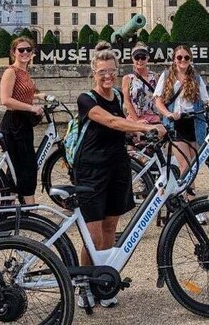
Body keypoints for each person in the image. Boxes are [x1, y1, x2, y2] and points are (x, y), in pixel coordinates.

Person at [74, 41, 166, 309]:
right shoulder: (86, 99)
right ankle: (83, 285)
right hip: (91, 172)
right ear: (93, 71)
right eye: (102, 71)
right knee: (92, 236)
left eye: (111, 70)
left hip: (117, 167)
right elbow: (112, 122)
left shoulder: (116, 94)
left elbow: (121, 127)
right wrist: (143, 126)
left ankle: (102, 283)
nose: (107, 75)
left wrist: (137, 133)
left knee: (110, 228)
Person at [154, 45, 209, 205]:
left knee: (193, 165)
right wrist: (168, 114)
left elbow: (205, 101)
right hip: (175, 124)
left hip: (193, 123)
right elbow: (157, 100)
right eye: (179, 57)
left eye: (186, 57)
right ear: (174, 59)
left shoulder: (196, 78)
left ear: (190, 59)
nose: (183, 60)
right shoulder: (166, 76)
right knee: (186, 165)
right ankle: (191, 203)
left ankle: (183, 197)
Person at [0, 36, 46, 204]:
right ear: (13, 53)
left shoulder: (25, 72)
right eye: (21, 50)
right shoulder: (11, 71)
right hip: (14, 122)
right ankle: (29, 205)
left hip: (23, 122)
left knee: (18, 166)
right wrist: (32, 108)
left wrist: (39, 96)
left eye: (28, 50)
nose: (25, 52)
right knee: (26, 166)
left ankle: (9, 203)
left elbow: (23, 95)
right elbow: (6, 100)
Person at [121, 42, 160, 126]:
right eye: (137, 58)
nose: (140, 60)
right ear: (132, 59)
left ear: (147, 58)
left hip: (153, 118)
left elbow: (159, 98)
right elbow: (127, 101)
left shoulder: (155, 77)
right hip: (134, 119)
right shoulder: (128, 78)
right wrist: (137, 120)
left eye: (143, 57)